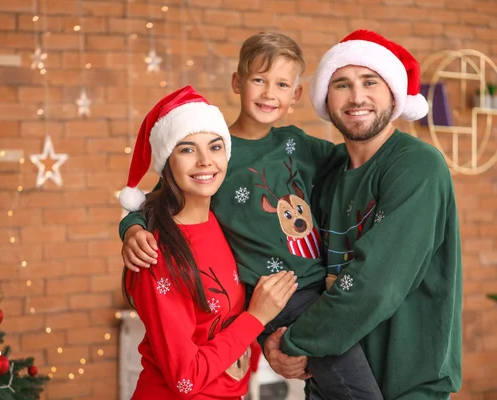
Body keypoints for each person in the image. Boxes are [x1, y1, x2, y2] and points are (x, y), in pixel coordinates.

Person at [120, 33, 384, 399]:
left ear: (295, 95)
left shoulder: (299, 144)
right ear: (237, 83)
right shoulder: (216, 155)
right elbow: (154, 202)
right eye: (259, 80)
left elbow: (356, 163)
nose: (268, 93)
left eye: (281, 84)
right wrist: (131, 227)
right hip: (280, 297)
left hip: (322, 288)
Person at [269, 29, 462, 399]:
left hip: (408, 384)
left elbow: (375, 284)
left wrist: (291, 342)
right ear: (327, 97)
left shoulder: (417, 165)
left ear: (393, 92)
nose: (357, 97)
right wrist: (136, 222)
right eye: (341, 84)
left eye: (370, 81)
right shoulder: (326, 171)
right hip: (331, 378)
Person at [119, 85, 298, 399]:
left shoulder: (222, 219)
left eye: (215, 147)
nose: (205, 161)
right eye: (187, 149)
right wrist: (256, 317)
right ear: (167, 162)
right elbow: (184, 378)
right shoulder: (155, 253)